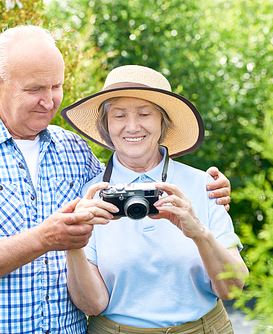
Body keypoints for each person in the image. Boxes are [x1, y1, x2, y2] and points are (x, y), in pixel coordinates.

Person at [0, 26, 232, 333]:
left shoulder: (74, 150)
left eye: (55, 86)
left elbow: (135, 170)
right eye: (34, 90)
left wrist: (212, 187)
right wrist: (43, 238)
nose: (49, 101)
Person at [61, 65, 249, 334]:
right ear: (106, 124)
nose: (132, 126)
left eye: (145, 113)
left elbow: (232, 288)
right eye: (119, 115)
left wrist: (199, 233)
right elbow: (93, 304)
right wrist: (74, 241)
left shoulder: (203, 185)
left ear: (163, 122)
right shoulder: (90, 194)